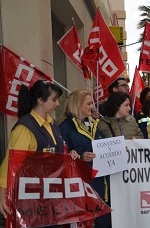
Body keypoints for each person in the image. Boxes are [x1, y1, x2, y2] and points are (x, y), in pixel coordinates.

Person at [0, 81, 79, 227]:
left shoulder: (54, 124)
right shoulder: (25, 128)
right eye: (54, 100)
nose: (57, 104)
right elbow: (11, 163)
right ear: (40, 100)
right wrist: (2, 192)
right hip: (32, 199)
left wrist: (70, 155)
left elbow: (57, 153)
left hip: (52, 196)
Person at [59, 89, 111, 228]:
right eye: (88, 104)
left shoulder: (94, 124)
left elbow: (103, 144)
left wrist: (118, 149)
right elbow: (61, 155)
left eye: (92, 103)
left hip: (99, 182)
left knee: (103, 221)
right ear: (77, 105)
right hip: (80, 186)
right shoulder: (65, 127)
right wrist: (80, 156)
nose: (92, 107)